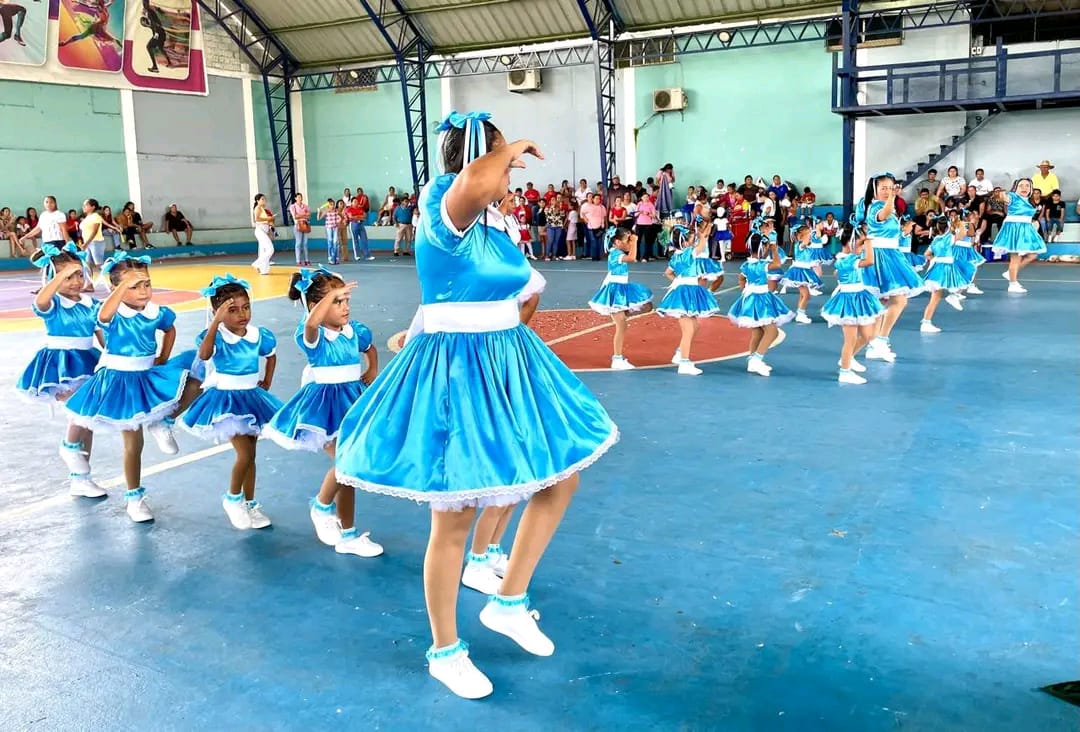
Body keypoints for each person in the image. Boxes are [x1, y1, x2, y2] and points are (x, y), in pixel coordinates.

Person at [332, 110, 618, 699]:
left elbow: (498, 290)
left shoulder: (490, 221)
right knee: (456, 514)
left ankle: (508, 602)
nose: (511, 169)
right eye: (500, 158)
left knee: (558, 480)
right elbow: (471, 192)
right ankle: (445, 650)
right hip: (457, 371)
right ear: (474, 160)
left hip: (506, 359)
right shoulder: (445, 205)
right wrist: (508, 148)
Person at [179, 275, 282, 530]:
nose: (242, 314)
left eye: (245, 307)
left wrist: (267, 380)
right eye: (232, 310)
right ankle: (233, 498)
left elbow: (270, 355)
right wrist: (215, 322)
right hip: (227, 402)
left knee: (251, 455)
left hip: (253, 398)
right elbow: (204, 355)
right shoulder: (217, 336)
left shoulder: (258, 335)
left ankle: (250, 503)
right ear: (218, 312)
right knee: (244, 453)